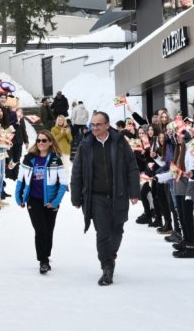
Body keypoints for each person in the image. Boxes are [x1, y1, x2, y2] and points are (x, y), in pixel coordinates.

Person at [71, 111, 140, 286]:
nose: (94, 127)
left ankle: (111, 253)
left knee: (117, 230)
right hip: (95, 197)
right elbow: (77, 172)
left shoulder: (119, 143)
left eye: (98, 124)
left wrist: (134, 192)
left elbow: (132, 167)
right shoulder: (85, 145)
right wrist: (76, 197)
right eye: (92, 125)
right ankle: (107, 267)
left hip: (118, 194)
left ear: (107, 125)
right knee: (102, 233)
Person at [15, 130, 67, 274]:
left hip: (50, 201)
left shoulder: (56, 159)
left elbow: (63, 183)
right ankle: (43, 260)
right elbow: (21, 179)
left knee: (49, 231)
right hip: (34, 200)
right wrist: (18, 196)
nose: (41, 143)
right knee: (40, 230)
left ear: (50, 142)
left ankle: (46, 256)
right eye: (38, 140)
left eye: (44, 140)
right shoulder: (29, 158)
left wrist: (56, 201)